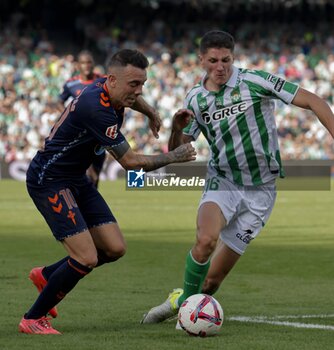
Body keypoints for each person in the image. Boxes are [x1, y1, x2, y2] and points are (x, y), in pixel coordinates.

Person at [141, 30, 334, 325]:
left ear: (233, 57)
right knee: (205, 240)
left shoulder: (255, 81)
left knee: (210, 285)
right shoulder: (194, 98)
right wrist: (175, 129)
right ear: (201, 60)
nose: (221, 67)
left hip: (261, 192)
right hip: (223, 181)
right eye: (214, 61)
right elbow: (177, 152)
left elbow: (315, 101)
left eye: (226, 60)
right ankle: (185, 316)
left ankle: (179, 300)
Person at [19, 48, 196, 335]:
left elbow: (132, 99)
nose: (138, 91)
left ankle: (48, 275)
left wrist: (150, 111)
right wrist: (174, 157)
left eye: (143, 84)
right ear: (112, 80)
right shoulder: (96, 107)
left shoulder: (110, 88)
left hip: (75, 178)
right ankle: (33, 318)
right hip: (49, 180)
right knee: (86, 257)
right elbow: (131, 163)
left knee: (114, 248)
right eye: (133, 85)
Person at [59, 50, 161, 188]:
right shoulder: (71, 84)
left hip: (101, 137)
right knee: (84, 177)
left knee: (94, 180)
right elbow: (60, 102)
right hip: (82, 136)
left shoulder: (104, 80)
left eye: (89, 62)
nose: (86, 65)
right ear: (78, 65)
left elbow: (127, 94)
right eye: (83, 62)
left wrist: (151, 112)